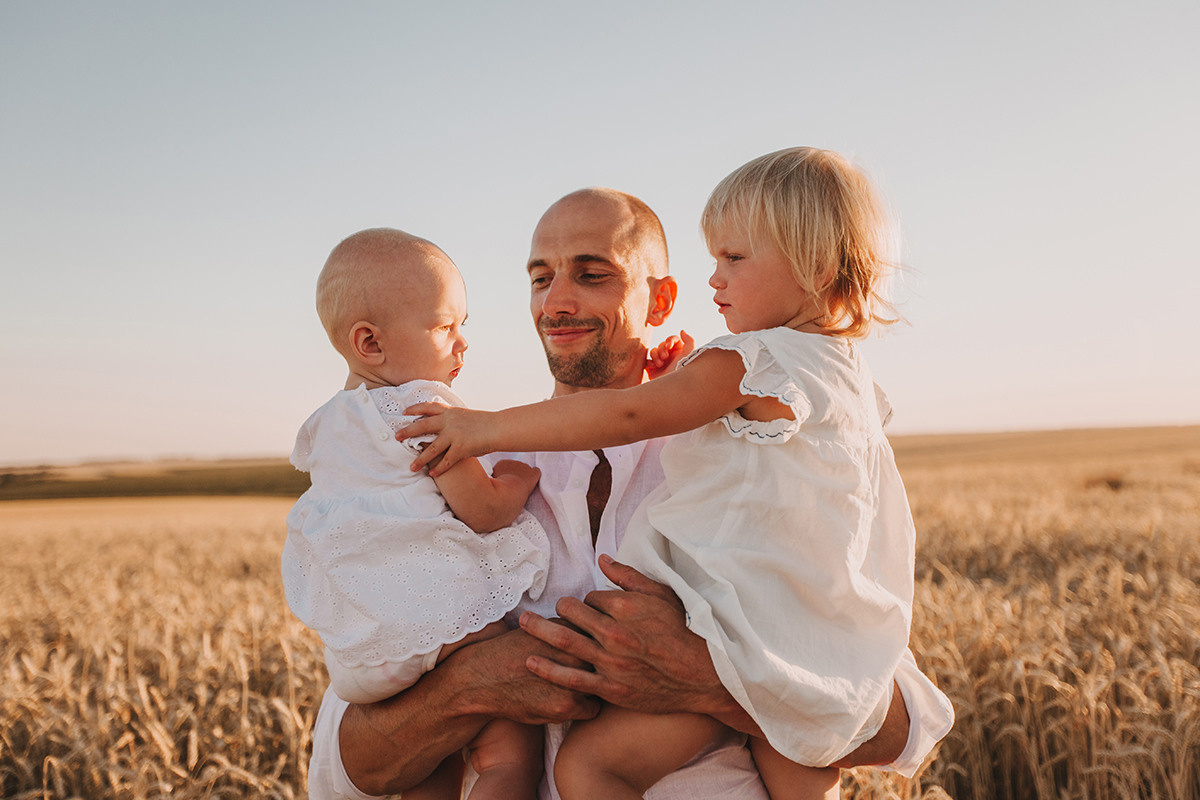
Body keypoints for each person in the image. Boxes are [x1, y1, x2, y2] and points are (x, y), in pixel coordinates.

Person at [306, 187, 954, 800]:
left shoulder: (741, 453)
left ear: (662, 300)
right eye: (540, 277)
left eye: (592, 274)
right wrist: (472, 686)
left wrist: (710, 679)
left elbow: (899, 718)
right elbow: (349, 757)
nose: (556, 301)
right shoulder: (464, 464)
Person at [283, 229, 549, 799]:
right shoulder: (421, 409)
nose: (462, 344)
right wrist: (515, 479)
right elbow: (482, 512)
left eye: (464, 326)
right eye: (444, 326)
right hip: (439, 619)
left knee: (431, 768)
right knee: (508, 752)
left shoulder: (325, 426)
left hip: (364, 653)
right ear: (370, 344)